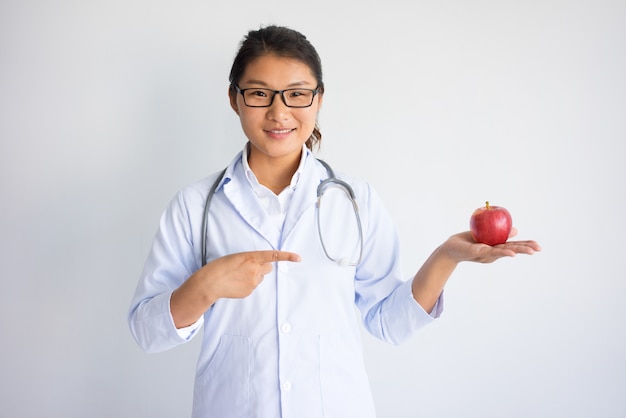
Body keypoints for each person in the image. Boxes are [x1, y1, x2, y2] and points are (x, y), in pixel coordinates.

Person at [128, 25, 541, 418]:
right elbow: (147, 331)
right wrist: (206, 285)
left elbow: (388, 322)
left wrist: (447, 256)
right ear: (234, 99)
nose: (278, 112)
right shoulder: (195, 206)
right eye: (259, 93)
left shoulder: (355, 201)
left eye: (296, 94)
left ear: (319, 99)